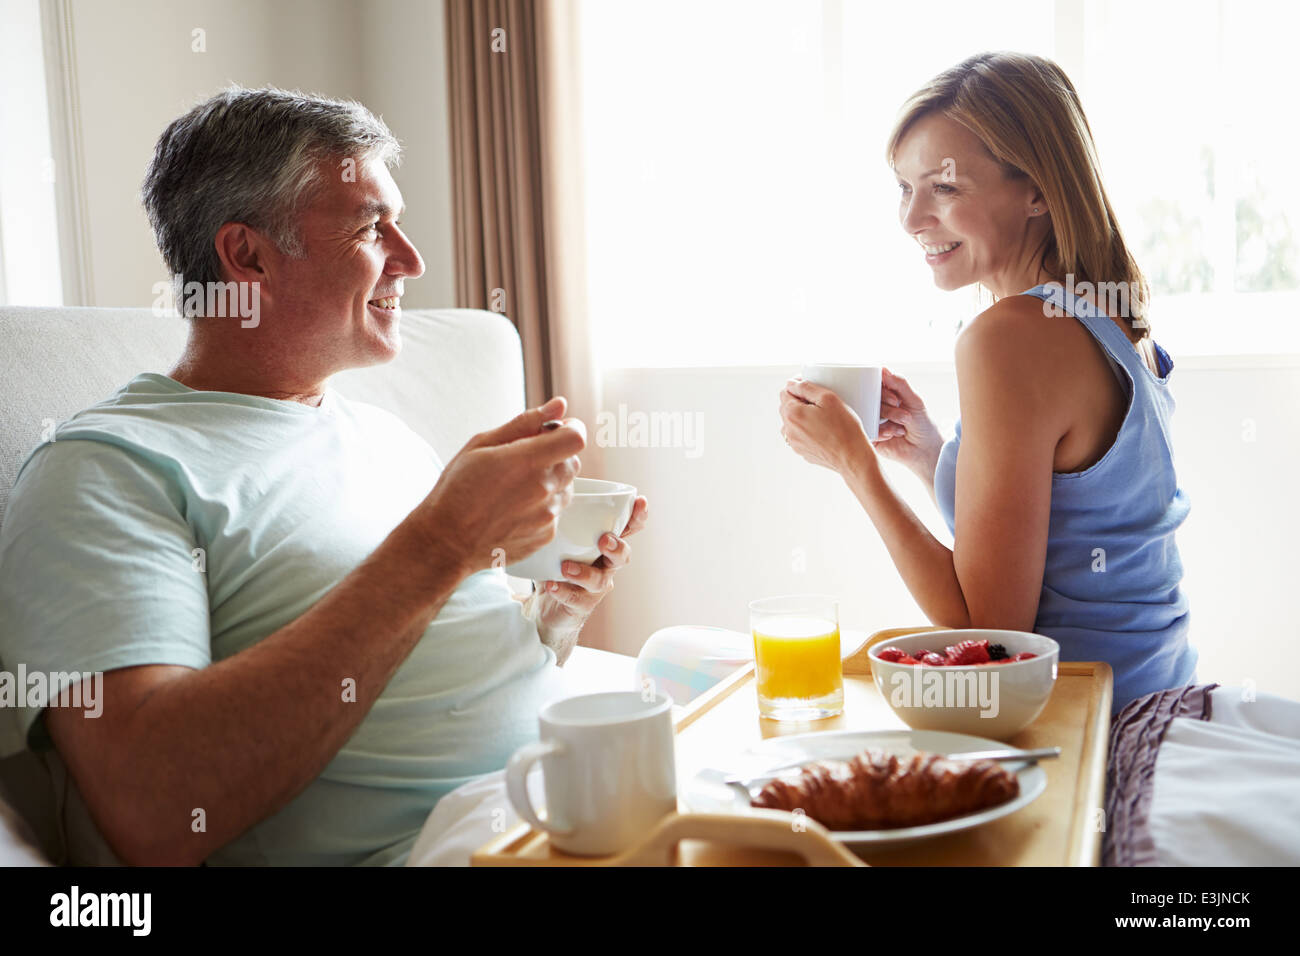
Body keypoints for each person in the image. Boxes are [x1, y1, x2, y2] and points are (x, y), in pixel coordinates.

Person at [0, 86, 647, 866]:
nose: (411, 259)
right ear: (248, 256)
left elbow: (418, 642)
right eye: (373, 227)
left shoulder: (381, 437)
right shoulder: (107, 471)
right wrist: (445, 540)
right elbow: (158, 805)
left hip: (562, 808)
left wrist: (548, 619)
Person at [779, 52, 1195, 713]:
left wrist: (854, 464)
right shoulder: (1108, 315)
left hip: (1090, 726)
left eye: (943, 188)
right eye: (904, 188)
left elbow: (991, 631)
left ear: (1037, 191)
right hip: (1161, 696)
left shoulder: (1008, 337)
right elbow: (1065, 523)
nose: (913, 219)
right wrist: (930, 454)